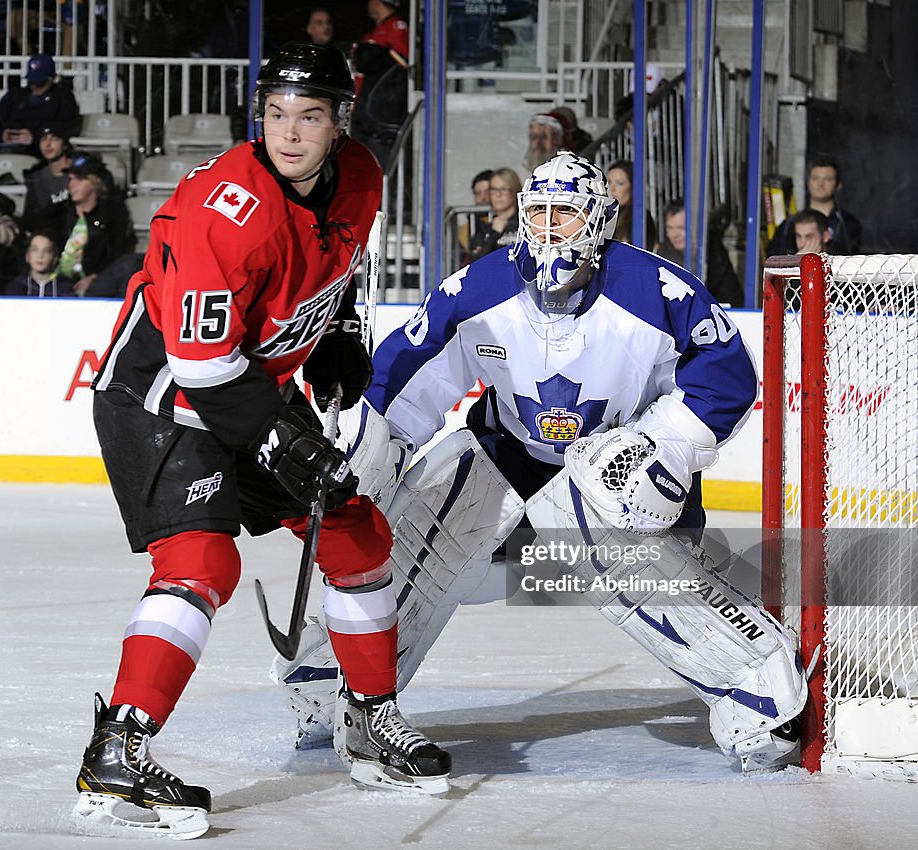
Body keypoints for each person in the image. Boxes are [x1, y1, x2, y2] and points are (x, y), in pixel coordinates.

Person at [273, 152, 807, 778]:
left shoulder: (657, 292)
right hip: (509, 453)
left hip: (618, 462)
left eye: (567, 214)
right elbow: (404, 377)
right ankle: (331, 679)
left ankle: (759, 689)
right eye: (538, 213)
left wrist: (662, 446)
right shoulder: (479, 289)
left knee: (605, 524)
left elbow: (726, 379)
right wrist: (371, 445)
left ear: (600, 221)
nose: (550, 229)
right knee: (420, 524)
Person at [72, 43, 451, 839]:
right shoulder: (219, 211)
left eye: (309, 115)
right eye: (275, 113)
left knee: (355, 533)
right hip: (162, 400)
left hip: (250, 389)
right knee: (204, 561)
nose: (289, 132)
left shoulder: (361, 177)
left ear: (339, 123)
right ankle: (118, 750)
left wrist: (340, 333)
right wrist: (282, 439)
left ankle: (370, 722)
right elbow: (200, 365)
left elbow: (338, 265)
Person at [33, 152, 134, 296]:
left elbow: (118, 254)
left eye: (78, 179)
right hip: (54, 283)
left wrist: (95, 276)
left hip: (97, 284)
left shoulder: (113, 214)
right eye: (70, 179)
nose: (71, 185)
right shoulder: (56, 213)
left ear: (95, 182)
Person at [351, 0, 410, 170]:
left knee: (379, 170)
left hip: (382, 117)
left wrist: (372, 54)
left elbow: (402, 67)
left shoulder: (396, 27)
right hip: (363, 112)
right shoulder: (374, 32)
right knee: (358, 166)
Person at [766, 156, 861, 256]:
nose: (820, 184)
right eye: (815, 178)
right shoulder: (789, 224)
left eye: (827, 179)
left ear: (838, 185)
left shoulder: (848, 224)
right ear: (808, 182)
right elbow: (774, 261)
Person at [656, 198, 743, 307]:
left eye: (681, 228)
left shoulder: (713, 255)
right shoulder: (660, 255)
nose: (674, 234)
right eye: (670, 228)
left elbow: (731, 298)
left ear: (695, 228)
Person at [0, 53, 81, 154]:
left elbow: (66, 127)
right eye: (32, 82)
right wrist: (2, 133)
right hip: (8, 146)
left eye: (40, 82)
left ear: (53, 78)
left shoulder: (63, 98)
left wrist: (35, 137)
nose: (35, 86)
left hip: (42, 150)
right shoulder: (15, 96)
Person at [21, 121, 73, 228]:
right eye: (43, 139)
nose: (48, 144)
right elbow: (30, 221)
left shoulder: (81, 172)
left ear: (65, 144)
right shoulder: (35, 179)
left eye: (54, 138)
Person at [467, 166, 521, 262]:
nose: (498, 194)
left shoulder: (526, 224)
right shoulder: (484, 229)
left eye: (503, 189)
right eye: (493, 189)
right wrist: (494, 233)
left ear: (514, 191)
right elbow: (477, 264)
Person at [607, 158, 657, 248]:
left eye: (620, 183)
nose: (612, 189)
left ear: (633, 187)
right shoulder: (602, 215)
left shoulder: (641, 217)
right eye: (609, 183)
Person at [3, 231, 71, 297]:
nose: (40, 255)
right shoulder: (16, 286)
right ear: (27, 256)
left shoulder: (65, 287)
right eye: (35, 249)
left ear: (55, 258)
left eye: (47, 251)